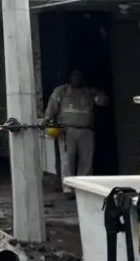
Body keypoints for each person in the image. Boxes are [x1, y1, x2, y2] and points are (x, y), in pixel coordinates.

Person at [44, 69, 110, 198]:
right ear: (70, 77)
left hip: (86, 130)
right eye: (75, 75)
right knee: (67, 160)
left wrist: (99, 94)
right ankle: (68, 189)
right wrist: (48, 121)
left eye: (80, 75)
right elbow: (51, 108)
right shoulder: (61, 91)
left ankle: (84, 188)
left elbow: (103, 101)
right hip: (67, 130)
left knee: (86, 161)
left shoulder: (90, 92)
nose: (78, 78)